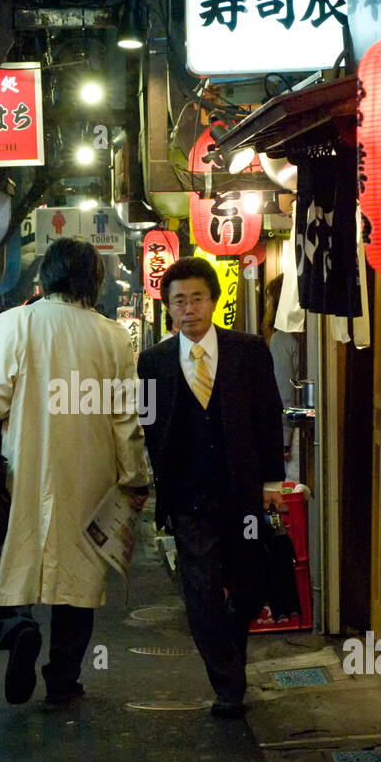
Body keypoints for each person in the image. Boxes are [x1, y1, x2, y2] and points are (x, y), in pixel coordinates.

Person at [0, 237, 149, 707]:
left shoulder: (15, 323)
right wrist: (134, 474)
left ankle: (18, 628)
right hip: (90, 472)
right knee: (79, 573)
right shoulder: (113, 336)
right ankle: (62, 680)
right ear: (93, 282)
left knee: (17, 553)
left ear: (45, 276)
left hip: (25, 463)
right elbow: (124, 416)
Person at [137, 256, 286, 718]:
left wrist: (272, 482)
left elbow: (269, 414)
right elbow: (147, 425)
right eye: (178, 301)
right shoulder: (153, 361)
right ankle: (228, 687)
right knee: (200, 590)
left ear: (214, 301)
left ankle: (229, 655)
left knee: (249, 586)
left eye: (197, 298)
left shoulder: (249, 351)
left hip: (242, 492)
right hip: (188, 496)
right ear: (169, 308)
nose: (188, 309)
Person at [263, 274, 300, 464]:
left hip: (295, 432)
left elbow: (284, 392)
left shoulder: (282, 339)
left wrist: (283, 441)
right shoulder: (299, 334)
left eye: (270, 298)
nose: (267, 304)